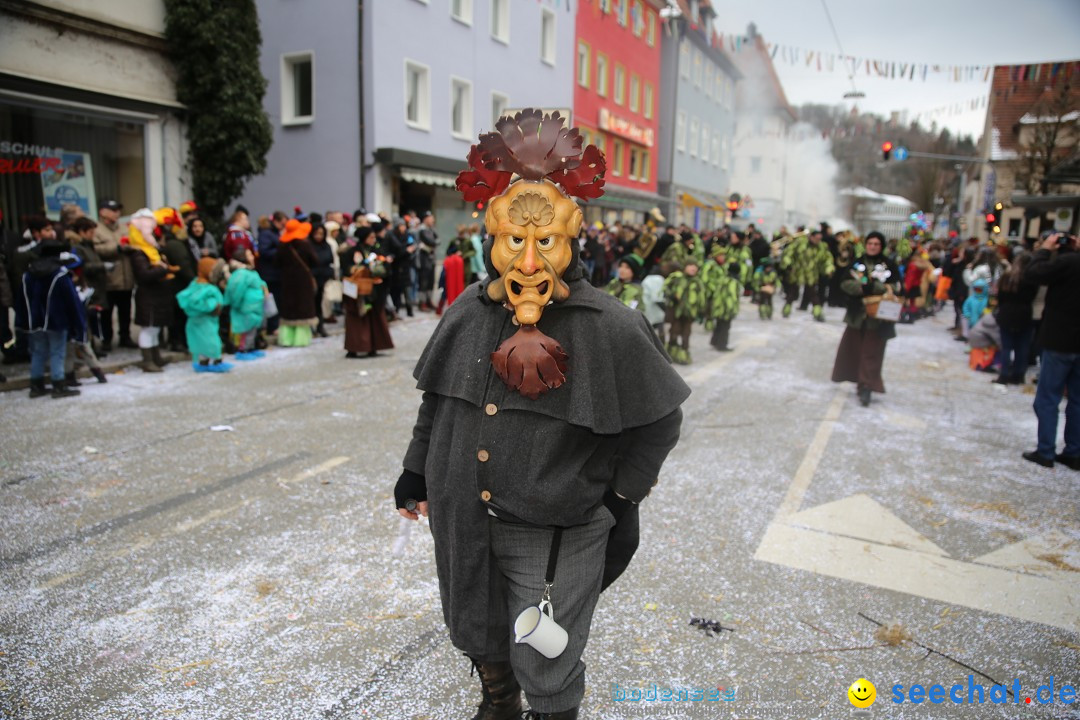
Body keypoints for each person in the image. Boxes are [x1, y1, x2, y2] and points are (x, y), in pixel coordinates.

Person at [396, 111, 687, 719]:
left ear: (571, 239)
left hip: (556, 529)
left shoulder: (612, 326)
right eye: (513, 241)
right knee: (479, 624)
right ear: (491, 239)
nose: (528, 262)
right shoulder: (466, 312)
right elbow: (437, 402)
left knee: (547, 657)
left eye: (545, 241)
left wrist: (620, 500)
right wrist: (416, 472)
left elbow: (660, 421)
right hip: (463, 514)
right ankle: (497, 701)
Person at [1021, 232, 1080, 469]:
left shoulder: (1068, 263)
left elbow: (1033, 273)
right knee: (1077, 401)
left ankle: (1046, 450)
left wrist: (1045, 249)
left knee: (1048, 398)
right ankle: (1074, 452)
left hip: (1059, 340)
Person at [831, 232, 900, 407]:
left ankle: (867, 386)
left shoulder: (889, 265)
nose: (873, 246)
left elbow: (897, 287)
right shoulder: (857, 263)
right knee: (853, 350)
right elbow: (844, 282)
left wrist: (876, 287)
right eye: (870, 243)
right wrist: (862, 288)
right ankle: (857, 379)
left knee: (872, 353)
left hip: (877, 318)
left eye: (876, 244)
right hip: (857, 315)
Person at [14, 235, 84, 398]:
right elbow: (71, 301)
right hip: (57, 320)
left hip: (34, 321)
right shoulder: (59, 274)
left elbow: (21, 299)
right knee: (57, 352)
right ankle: (59, 384)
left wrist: (23, 322)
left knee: (38, 352)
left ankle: (36, 385)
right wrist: (77, 324)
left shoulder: (28, 274)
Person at [128, 208, 177, 373]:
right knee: (148, 329)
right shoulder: (139, 253)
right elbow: (144, 275)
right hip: (148, 296)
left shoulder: (151, 251)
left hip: (156, 296)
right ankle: (147, 360)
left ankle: (156, 357)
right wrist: (163, 269)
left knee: (154, 328)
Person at [92, 199, 136, 351]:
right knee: (106, 313)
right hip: (108, 280)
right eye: (113, 210)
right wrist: (116, 248)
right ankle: (107, 340)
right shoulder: (96, 230)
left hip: (126, 278)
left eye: (117, 210)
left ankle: (125, 336)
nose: (116, 213)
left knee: (125, 311)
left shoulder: (124, 228)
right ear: (102, 212)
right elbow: (95, 249)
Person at [177, 257, 233, 373]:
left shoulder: (193, 286)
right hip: (207, 321)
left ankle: (203, 361)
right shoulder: (209, 290)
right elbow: (212, 304)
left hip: (194, 322)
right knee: (212, 342)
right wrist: (215, 306)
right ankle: (216, 361)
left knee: (199, 342)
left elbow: (187, 300)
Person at [342, 242, 394, 358]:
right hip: (357, 291)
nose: (373, 239)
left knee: (374, 320)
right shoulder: (352, 252)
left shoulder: (376, 250)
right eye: (370, 237)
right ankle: (355, 347)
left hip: (374, 292)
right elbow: (347, 269)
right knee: (356, 320)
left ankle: (373, 346)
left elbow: (385, 269)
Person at [993, 251, 1037, 385]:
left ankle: (1004, 374)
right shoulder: (1032, 279)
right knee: (1022, 347)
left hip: (1007, 312)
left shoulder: (1007, 277)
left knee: (1006, 346)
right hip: (1024, 314)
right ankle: (1018, 375)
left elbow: (1000, 296)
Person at [275, 218, 318, 347]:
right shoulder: (305, 244)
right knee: (303, 310)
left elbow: (276, 262)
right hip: (303, 281)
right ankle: (301, 339)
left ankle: (286, 339)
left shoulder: (282, 246)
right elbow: (315, 261)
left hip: (287, 281)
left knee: (288, 311)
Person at [224, 249, 268, 359]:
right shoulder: (241, 273)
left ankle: (250, 347)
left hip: (254, 306)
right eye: (249, 255)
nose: (252, 257)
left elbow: (258, 282)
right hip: (246, 307)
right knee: (246, 329)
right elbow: (236, 291)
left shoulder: (249, 272)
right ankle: (244, 349)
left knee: (252, 329)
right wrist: (236, 304)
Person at [662, 258, 705, 365]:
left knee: (686, 334)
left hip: (689, 313)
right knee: (674, 331)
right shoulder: (677, 278)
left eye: (695, 266)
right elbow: (665, 287)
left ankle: (684, 355)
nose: (693, 268)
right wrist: (671, 296)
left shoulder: (697, 282)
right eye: (690, 265)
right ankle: (671, 352)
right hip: (676, 312)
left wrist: (701, 311)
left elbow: (701, 297)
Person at [704, 250, 742, 351]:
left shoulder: (724, 279)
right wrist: (731, 310)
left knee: (719, 325)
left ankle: (715, 341)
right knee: (725, 327)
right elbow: (731, 297)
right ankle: (722, 345)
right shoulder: (733, 282)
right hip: (725, 309)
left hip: (719, 307)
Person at [308, 224, 335, 337]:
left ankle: (320, 326)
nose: (319, 236)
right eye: (316, 234)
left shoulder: (326, 245)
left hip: (323, 278)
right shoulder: (308, 245)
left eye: (321, 234)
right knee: (311, 303)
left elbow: (330, 258)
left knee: (320, 303)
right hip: (311, 278)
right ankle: (311, 327)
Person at [416, 211, 438, 311]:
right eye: (430, 218)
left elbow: (437, 241)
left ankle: (429, 300)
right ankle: (422, 302)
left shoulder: (431, 229)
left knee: (431, 281)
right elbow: (431, 241)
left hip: (431, 258)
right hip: (423, 259)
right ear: (425, 219)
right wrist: (432, 243)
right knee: (423, 281)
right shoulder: (422, 230)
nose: (432, 220)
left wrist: (432, 244)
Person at [436, 243, 466, 315]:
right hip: (458, 284)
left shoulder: (447, 260)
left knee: (444, 296)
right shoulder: (460, 260)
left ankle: (439, 311)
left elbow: (443, 274)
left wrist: (440, 284)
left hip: (448, 283)